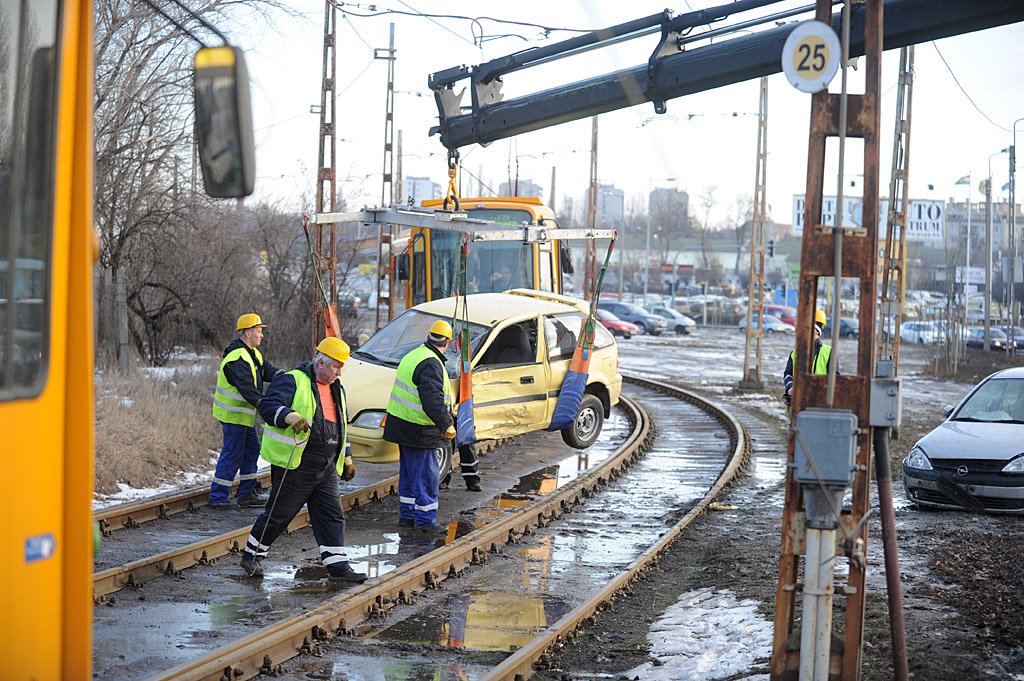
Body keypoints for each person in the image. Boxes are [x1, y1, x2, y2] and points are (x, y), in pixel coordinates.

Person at [239, 337, 367, 583]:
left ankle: (338, 566)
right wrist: (288, 416)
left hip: (327, 467)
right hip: (297, 464)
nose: (339, 372)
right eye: (335, 367)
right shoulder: (292, 379)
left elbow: (341, 427)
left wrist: (347, 458)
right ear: (320, 362)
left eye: (341, 367)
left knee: (332, 515)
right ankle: (251, 556)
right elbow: (268, 405)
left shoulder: (336, 388)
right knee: (280, 514)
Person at [383, 319, 460, 531]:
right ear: (448, 343)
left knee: (409, 475)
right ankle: (426, 522)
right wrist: (447, 424)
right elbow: (432, 400)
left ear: (430, 337)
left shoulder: (414, 355)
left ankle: (408, 517)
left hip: (403, 426)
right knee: (426, 477)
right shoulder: (431, 363)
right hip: (420, 430)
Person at [210, 313, 282, 509]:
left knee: (251, 451)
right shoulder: (238, 358)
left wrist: (288, 378)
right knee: (233, 453)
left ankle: (247, 494)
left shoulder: (252, 353)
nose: (262, 335)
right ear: (248, 333)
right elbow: (247, 389)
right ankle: (217, 497)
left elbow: (267, 370)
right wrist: (266, 405)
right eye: (259, 332)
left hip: (243, 416)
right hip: (233, 416)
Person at [782, 308, 838, 409]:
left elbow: (835, 379)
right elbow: (788, 374)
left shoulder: (829, 352)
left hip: (821, 405)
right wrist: (790, 388)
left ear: (817, 331)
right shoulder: (795, 353)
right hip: (798, 405)